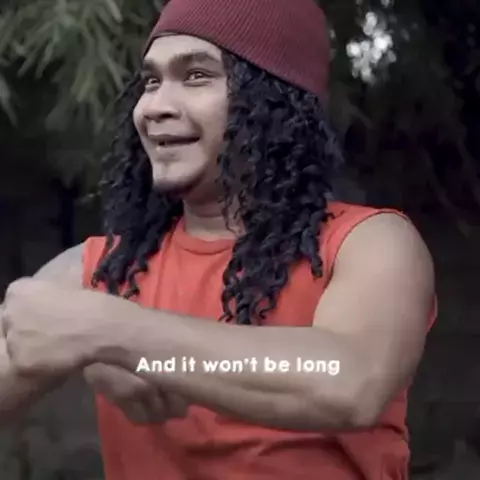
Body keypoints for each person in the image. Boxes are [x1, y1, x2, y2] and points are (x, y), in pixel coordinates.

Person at [1, 0, 436, 478]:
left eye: (196, 76)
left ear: (273, 99)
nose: (155, 106)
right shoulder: (99, 272)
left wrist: (111, 336)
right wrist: (74, 334)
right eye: (151, 81)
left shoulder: (367, 244)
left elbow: (348, 382)